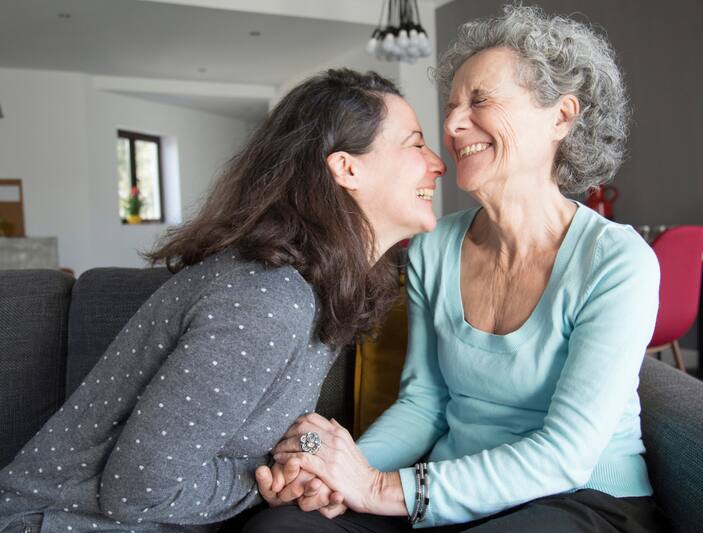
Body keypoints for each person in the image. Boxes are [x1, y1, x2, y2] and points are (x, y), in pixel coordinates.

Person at [247, 5, 667, 532]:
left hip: (579, 498)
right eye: (449, 107)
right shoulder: (434, 246)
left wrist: (379, 487)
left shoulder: (617, 261)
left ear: (560, 116)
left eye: (480, 100)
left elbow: (567, 453)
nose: (450, 125)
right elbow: (425, 403)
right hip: (448, 489)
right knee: (280, 528)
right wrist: (338, 473)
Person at [0, 68, 445, 533]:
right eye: (415, 143)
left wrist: (309, 459)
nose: (438, 163)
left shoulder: (317, 288)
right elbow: (135, 494)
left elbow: (266, 438)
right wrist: (263, 482)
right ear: (347, 168)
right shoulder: (266, 300)